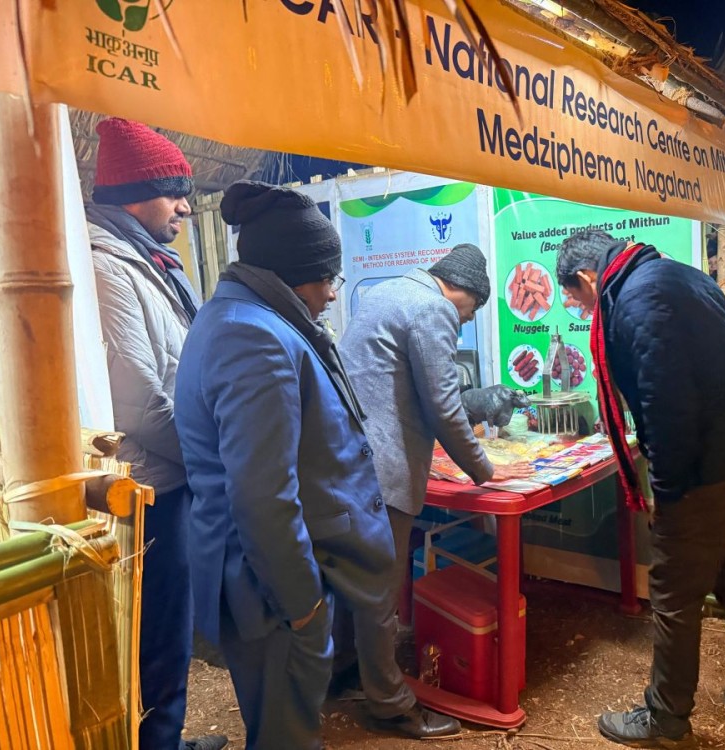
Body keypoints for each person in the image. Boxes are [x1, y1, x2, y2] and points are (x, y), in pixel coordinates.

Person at [175, 181, 458, 749]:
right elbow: (262, 496)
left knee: (290, 726)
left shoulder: (246, 318)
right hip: (269, 594)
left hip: (271, 585)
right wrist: (304, 608)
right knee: (286, 735)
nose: (332, 293)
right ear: (290, 274)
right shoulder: (252, 338)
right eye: (327, 278)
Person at [556, 230, 725, 745]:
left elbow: (666, 405)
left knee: (673, 594)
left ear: (585, 277)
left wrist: (666, 493)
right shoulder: (678, 275)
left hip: (704, 467)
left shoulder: (639, 298)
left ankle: (666, 719)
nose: (579, 310)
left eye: (575, 299)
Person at [335, 244, 530, 710]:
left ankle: (343, 674)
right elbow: (444, 407)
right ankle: (388, 703)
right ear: (463, 294)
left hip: (346, 458)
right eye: (473, 311)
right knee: (383, 587)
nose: (465, 320)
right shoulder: (434, 308)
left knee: (352, 579)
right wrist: (487, 470)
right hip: (384, 467)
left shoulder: (388, 292)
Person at [85, 118, 226, 750]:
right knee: (155, 634)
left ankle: (163, 738)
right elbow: (139, 403)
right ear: (135, 193)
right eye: (173, 193)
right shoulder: (105, 268)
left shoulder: (151, 262)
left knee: (168, 630)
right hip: (148, 489)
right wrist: (211, 458)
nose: (184, 208)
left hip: (175, 476)